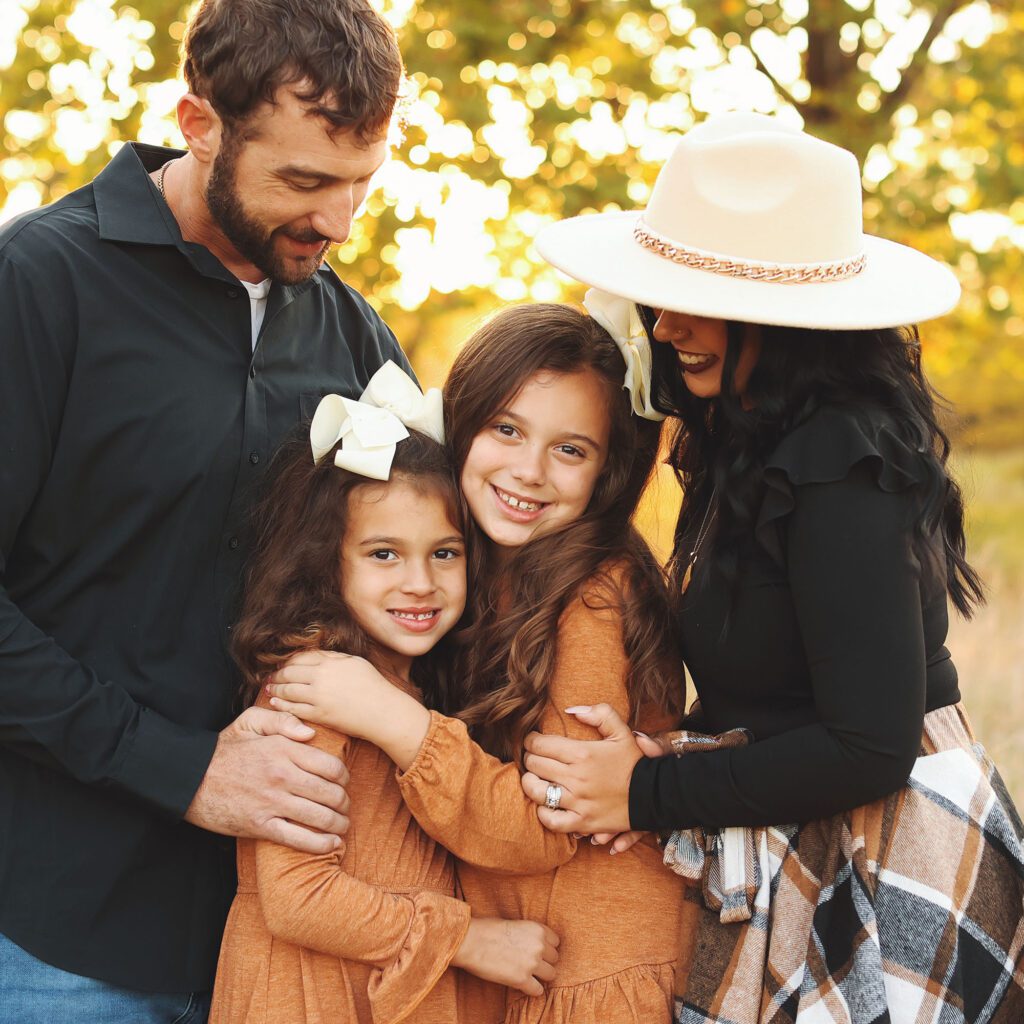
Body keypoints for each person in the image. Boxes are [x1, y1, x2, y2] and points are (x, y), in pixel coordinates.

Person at [519, 112, 1024, 1020]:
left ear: (783, 317)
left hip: (884, 850)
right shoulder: (744, 438)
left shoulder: (839, 460)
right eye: (661, 294)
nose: (665, 325)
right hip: (803, 818)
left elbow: (869, 745)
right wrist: (667, 747)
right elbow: (781, 683)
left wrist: (646, 791)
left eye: (694, 297)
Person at [0, 1, 409, 1018]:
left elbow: (440, 574)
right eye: (304, 182)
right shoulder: (37, 283)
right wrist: (183, 768)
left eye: (360, 182)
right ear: (198, 123)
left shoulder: (354, 333)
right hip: (60, 931)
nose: (337, 220)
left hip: (280, 938)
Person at [267, 304, 691, 1022]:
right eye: (507, 429)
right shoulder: (467, 579)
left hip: (595, 976)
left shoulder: (591, 595)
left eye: (571, 449)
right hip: (522, 965)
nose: (528, 471)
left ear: (607, 471)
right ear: (461, 424)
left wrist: (389, 717)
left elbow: (541, 828)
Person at [209, 363, 559, 1024]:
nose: (420, 583)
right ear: (325, 560)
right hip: (310, 998)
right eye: (383, 555)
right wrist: (468, 939)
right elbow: (297, 897)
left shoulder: (411, 680)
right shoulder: (313, 687)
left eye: (445, 553)